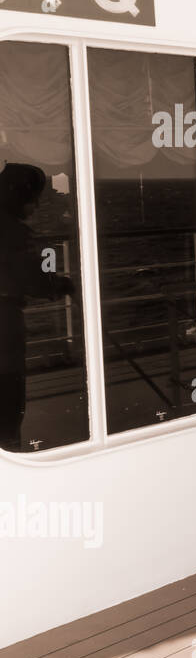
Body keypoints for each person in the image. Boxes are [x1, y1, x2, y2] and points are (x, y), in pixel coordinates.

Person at [0, 163, 75, 451]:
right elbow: (35, 280)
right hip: (4, 326)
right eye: (33, 199)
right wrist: (63, 285)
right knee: (8, 402)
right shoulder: (14, 233)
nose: (35, 206)